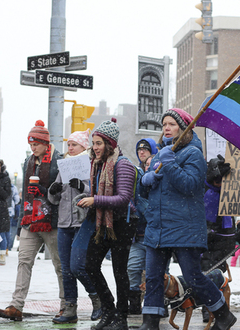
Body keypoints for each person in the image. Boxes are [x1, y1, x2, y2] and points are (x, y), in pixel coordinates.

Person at [138, 108, 236, 330]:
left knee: (193, 277)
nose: (166, 128)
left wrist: (170, 163)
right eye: (164, 125)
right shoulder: (160, 156)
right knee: (153, 277)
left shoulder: (193, 154)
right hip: (158, 228)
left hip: (184, 227)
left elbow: (190, 186)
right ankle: (150, 322)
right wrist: (146, 179)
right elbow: (144, 193)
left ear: (184, 129)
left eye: (172, 124)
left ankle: (223, 314)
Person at [0, 120, 65, 322]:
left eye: (35, 144)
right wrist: (21, 222)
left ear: (45, 142)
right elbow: (25, 192)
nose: (32, 148)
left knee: (60, 266)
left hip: (52, 220)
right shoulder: (28, 162)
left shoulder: (58, 160)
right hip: (30, 220)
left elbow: (62, 191)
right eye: (30, 144)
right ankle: (16, 306)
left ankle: (66, 305)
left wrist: (44, 191)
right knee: (23, 261)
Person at [76, 118, 138, 330]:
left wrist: (95, 200)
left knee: (120, 272)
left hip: (122, 224)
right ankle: (109, 310)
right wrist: (87, 197)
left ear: (109, 144)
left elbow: (122, 199)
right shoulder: (97, 165)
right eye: (93, 143)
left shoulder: (124, 165)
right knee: (90, 266)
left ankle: (121, 317)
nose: (95, 147)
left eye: (99, 143)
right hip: (102, 224)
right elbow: (97, 193)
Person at [47, 129, 102, 324]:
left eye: (74, 145)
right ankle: (70, 308)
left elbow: (95, 192)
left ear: (83, 147)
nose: (70, 148)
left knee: (78, 265)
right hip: (64, 222)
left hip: (82, 221)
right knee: (66, 268)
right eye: (68, 144)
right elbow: (54, 199)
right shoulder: (63, 166)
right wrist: (52, 191)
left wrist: (83, 187)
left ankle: (98, 298)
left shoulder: (90, 165)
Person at [200, 155, 235, 322]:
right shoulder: (203, 190)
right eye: (217, 180)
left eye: (223, 180)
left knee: (217, 275)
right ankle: (207, 309)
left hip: (222, 238)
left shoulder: (230, 193)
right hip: (205, 237)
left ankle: (218, 308)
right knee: (206, 272)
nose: (220, 183)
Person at [127, 138, 158, 315]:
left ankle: (157, 304)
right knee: (133, 268)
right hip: (138, 235)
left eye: (146, 149)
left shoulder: (161, 179)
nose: (141, 152)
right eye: (139, 150)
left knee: (157, 272)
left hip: (157, 236)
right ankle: (134, 304)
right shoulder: (136, 176)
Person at [7, 184, 21, 253]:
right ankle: (7, 247)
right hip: (10, 212)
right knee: (9, 231)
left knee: (1, 231)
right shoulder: (13, 187)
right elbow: (17, 200)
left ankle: (0, 247)